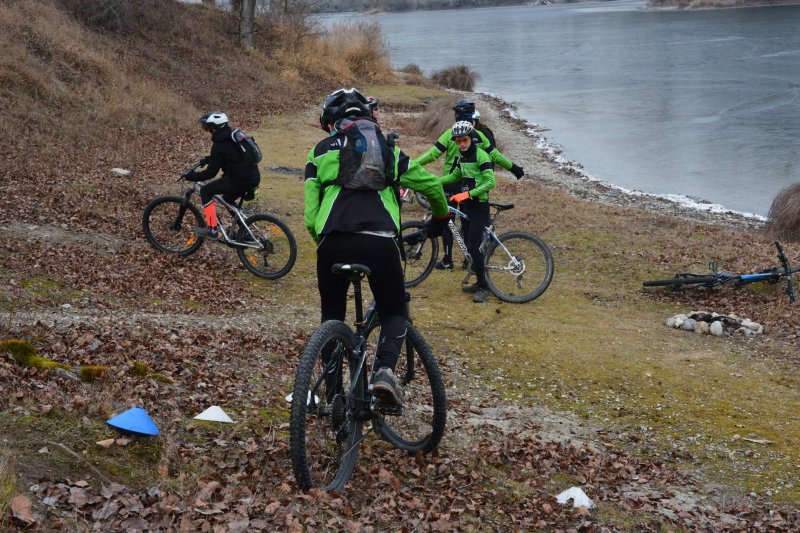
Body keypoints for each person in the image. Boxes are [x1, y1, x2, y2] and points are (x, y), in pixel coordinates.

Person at [304, 87, 450, 406]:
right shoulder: (385, 150)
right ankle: (384, 372)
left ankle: (333, 391)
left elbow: (310, 216)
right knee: (393, 309)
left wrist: (324, 240)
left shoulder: (319, 152)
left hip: (333, 241)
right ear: (367, 118)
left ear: (331, 122)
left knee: (332, 313)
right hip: (380, 241)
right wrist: (440, 218)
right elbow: (431, 185)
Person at [416, 99, 523, 270]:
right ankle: (469, 260)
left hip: (452, 181)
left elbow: (433, 154)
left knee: (446, 220)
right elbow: (495, 155)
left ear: (457, 115)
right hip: (470, 184)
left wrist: (413, 165)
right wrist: (514, 168)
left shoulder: (450, 134)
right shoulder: (478, 135)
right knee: (467, 223)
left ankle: (448, 259)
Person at [439, 120, 496, 304]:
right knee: (470, 245)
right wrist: (434, 181)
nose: (462, 144)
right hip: (467, 207)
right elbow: (455, 175)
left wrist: (467, 194)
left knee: (472, 246)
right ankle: (479, 279)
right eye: (458, 141)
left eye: (464, 140)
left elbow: (490, 182)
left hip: (479, 207)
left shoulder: (482, 156)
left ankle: (483, 287)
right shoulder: (462, 157)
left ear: (471, 138)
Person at [182, 111, 260, 238]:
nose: (207, 130)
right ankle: (244, 230)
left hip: (239, 179)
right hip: (252, 177)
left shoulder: (219, 145)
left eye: (207, 127)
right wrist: (208, 159)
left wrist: (192, 176)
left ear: (215, 127)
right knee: (227, 198)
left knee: (206, 191)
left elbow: (210, 173)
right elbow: (230, 155)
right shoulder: (231, 136)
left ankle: (213, 228)